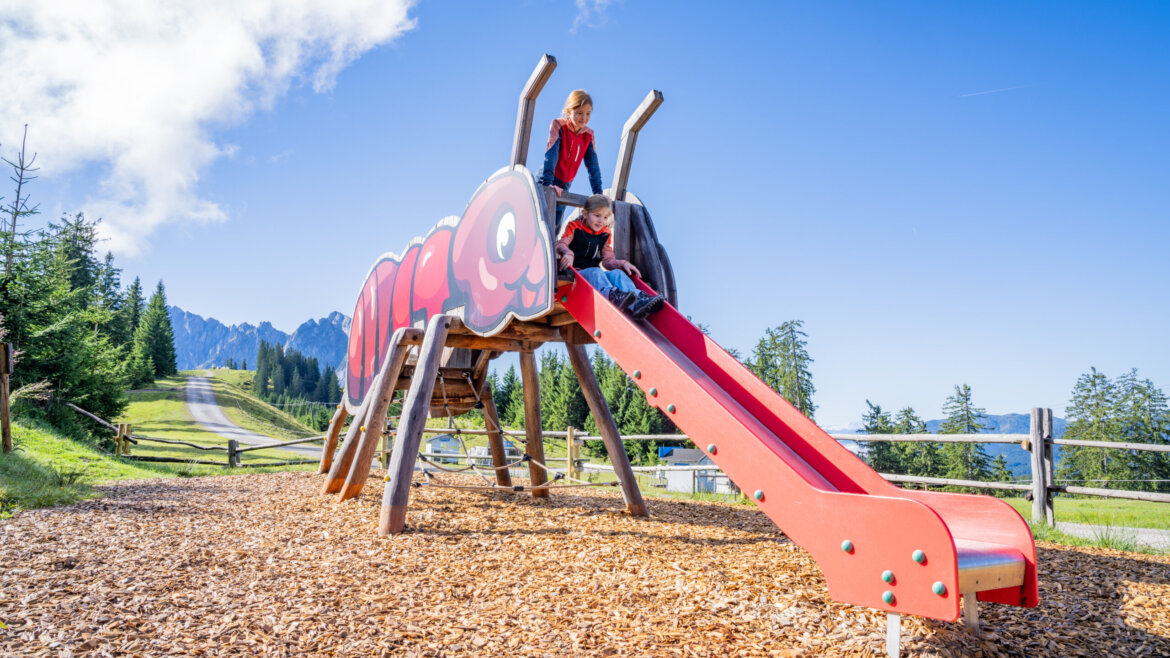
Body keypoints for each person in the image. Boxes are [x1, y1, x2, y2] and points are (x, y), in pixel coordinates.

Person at [556, 194, 665, 319]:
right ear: (585, 214)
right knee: (596, 272)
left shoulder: (604, 234)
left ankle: (638, 302)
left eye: (605, 217)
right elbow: (561, 244)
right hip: (578, 274)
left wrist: (623, 264)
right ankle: (613, 297)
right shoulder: (574, 227)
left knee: (617, 274)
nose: (601, 221)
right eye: (597, 216)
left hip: (594, 275)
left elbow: (608, 261)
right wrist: (568, 254)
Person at [542, 89, 604, 225]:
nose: (584, 118)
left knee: (556, 225)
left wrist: (598, 193)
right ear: (569, 111)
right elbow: (551, 154)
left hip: (564, 186)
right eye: (579, 113)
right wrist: (548, 184)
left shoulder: (588, 135)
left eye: (588, 114)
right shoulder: (559, 125)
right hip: (548, 178)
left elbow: (593, 166)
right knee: (541, 219)